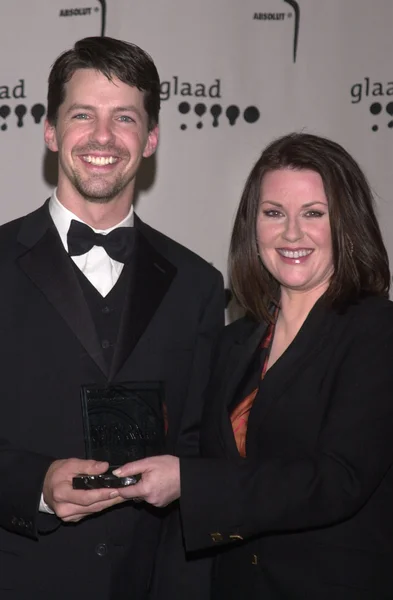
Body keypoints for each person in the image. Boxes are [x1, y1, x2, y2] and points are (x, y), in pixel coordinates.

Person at [115, 132, 393, 599]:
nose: (291, 233)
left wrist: (190, 482)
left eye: (314, 214)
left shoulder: (377, 332)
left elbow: (338, 479)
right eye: (273, 213)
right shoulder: (236, 341)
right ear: (253, 225)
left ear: (347, 224)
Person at [0, 36, 224, 600]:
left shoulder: (199, 284)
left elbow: (201, 455)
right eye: (83, 115)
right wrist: (36, 488)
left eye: (124, 117)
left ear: (150, 139)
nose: (103, 137)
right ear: (51, 131)